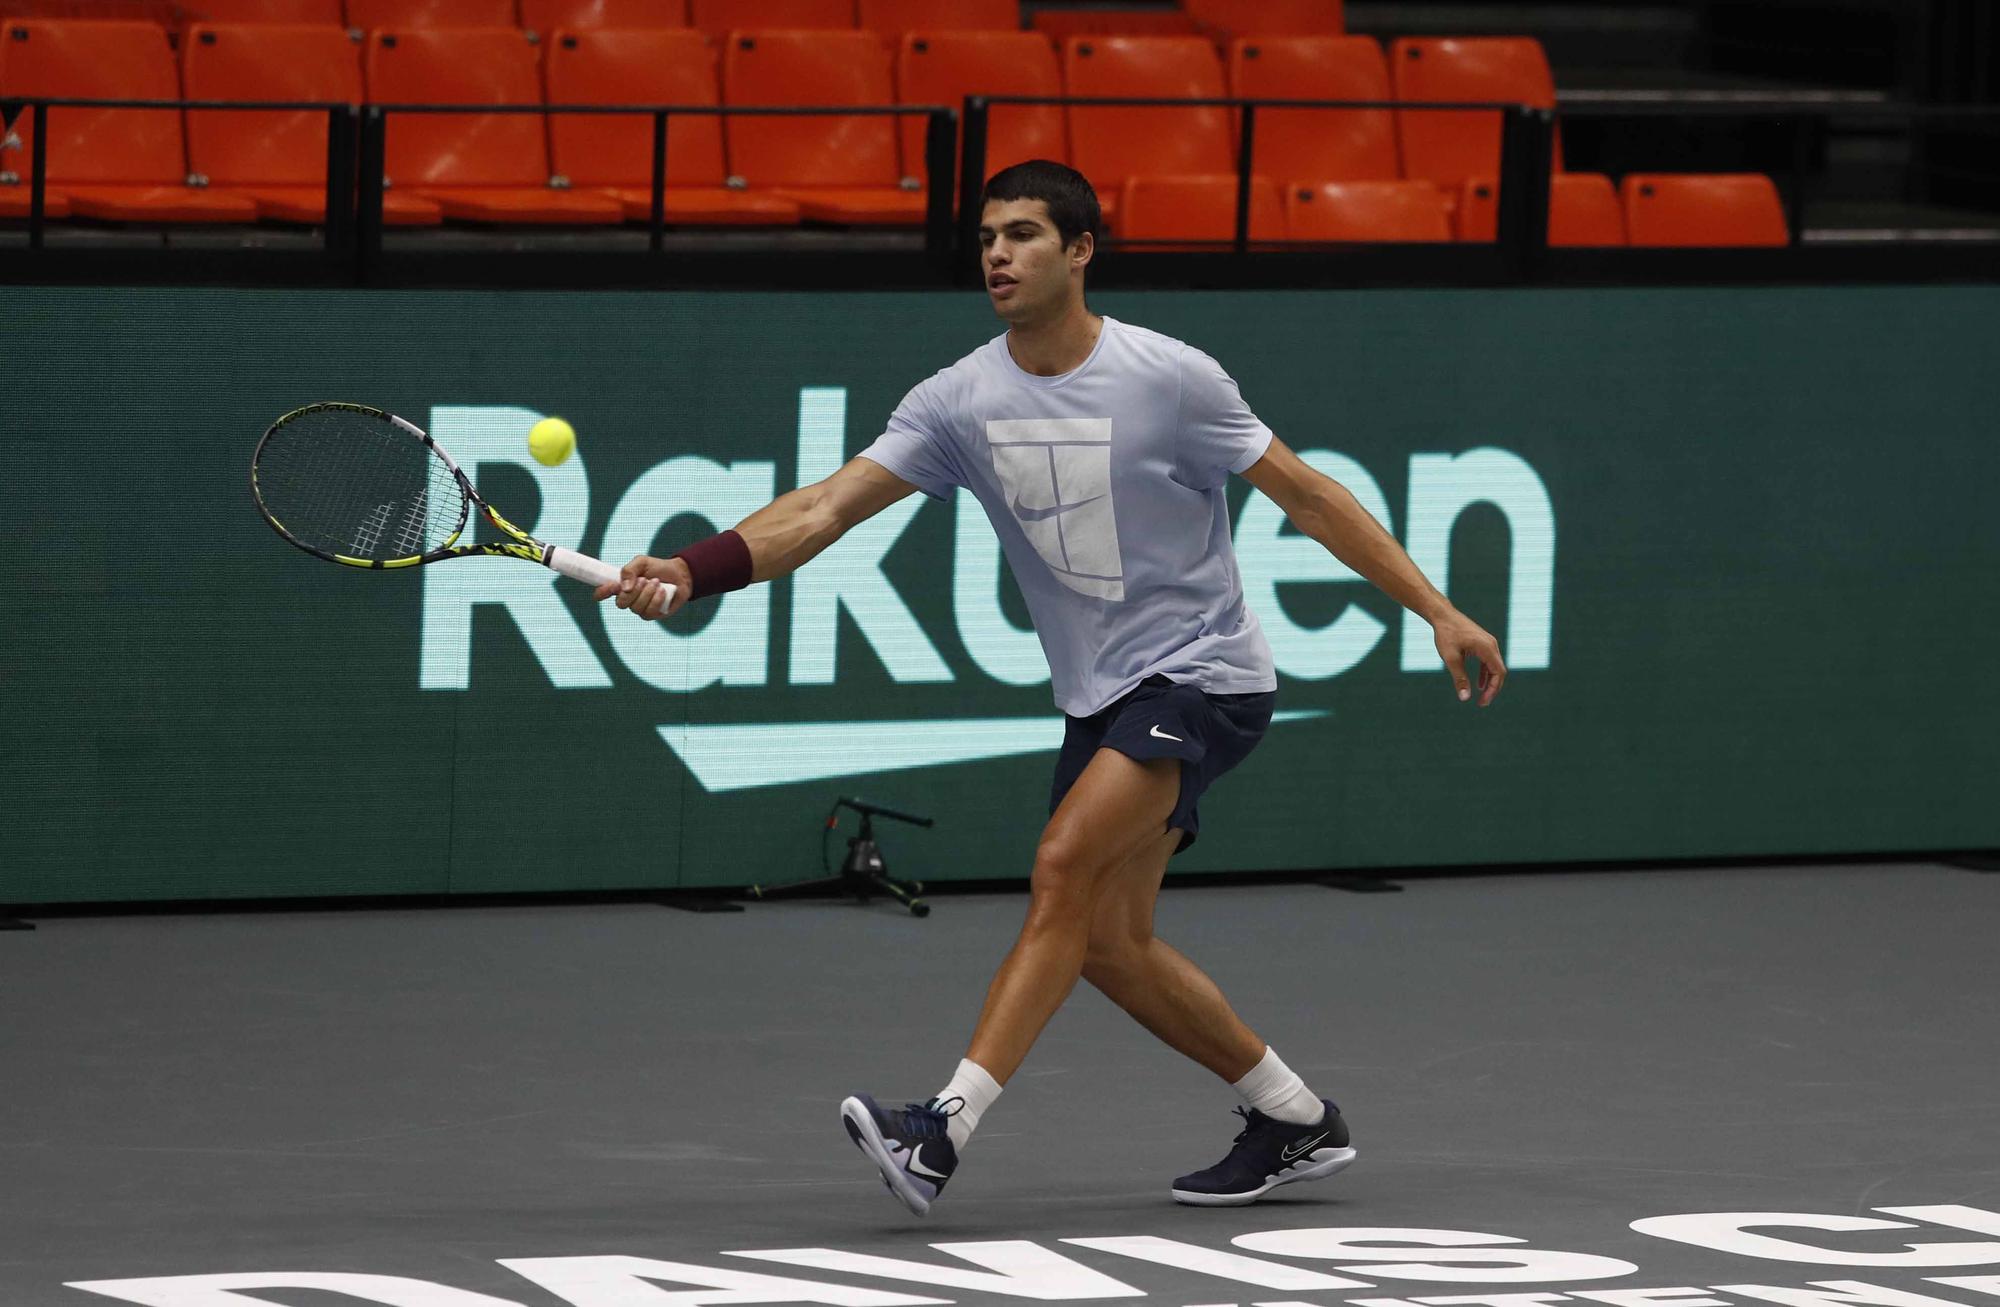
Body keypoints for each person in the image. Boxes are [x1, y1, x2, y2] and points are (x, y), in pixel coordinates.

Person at [595, 160, 1506, 1216]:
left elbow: (1306, 495)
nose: (996, 253)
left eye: (1023, 234)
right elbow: (827, 505)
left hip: (1204, 673)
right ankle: (1293, 1117)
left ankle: (938, 1130)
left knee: (1060, 864)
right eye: (987, 235)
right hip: (1100, 694)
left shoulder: (1169, 377)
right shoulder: (957, 398)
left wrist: (1432, 606)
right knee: (1111, 944)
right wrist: (695, 568)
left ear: (1079, 250)